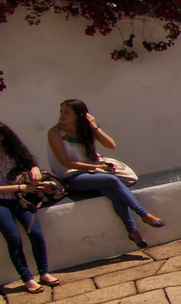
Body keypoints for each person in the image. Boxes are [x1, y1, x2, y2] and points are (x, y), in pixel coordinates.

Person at [46, 99, 166, 249]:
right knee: (110, 180)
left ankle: (133, 232)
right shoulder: (55, 132)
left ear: (79, 115)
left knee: (111, 192)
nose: (62, 115)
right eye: (61, 111)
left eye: (67, 112)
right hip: (70, 177)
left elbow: (110, 146)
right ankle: (143, 214)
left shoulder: (85, 130)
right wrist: (97, 167)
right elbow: (66, 162)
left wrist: (94, 127)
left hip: (92, 174)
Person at [0, 121, 57, 292]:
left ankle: (44, 273)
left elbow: (29, 162)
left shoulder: (13, 149)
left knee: (36, 234)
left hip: (20, 198)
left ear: (1, 135)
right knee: (14, 239)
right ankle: (27, 278)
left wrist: (34, 169)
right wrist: (21, 187)